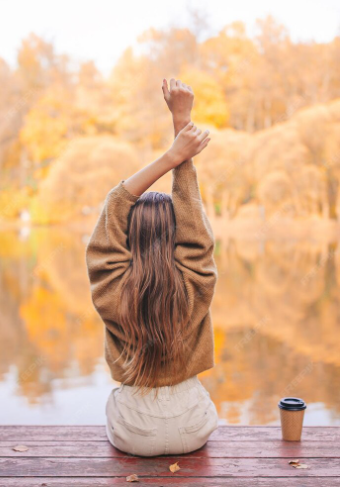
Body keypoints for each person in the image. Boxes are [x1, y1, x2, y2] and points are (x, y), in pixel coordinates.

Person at [86, 79, 218, 457]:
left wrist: (170, 156)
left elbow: (116, 204)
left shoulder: (110, 288)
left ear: (128, 238)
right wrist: (182, 125)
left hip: (134, 432)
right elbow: (193, 221)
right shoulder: (197, 282)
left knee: (114, 403)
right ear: (178, 237)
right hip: (193, 426)